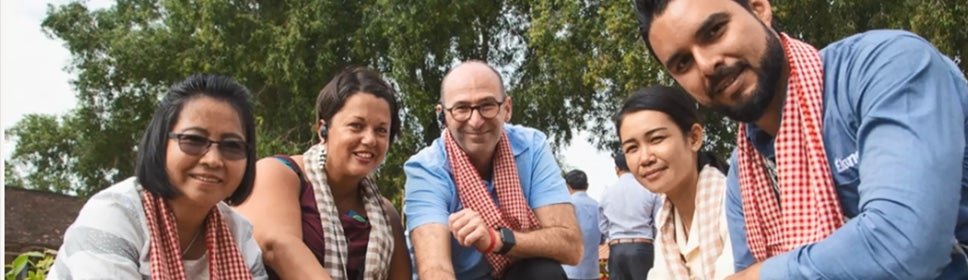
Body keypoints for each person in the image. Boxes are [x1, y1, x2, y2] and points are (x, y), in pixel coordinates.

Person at [635, 0, 968, 278]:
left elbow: (906, 244)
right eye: (683, 64)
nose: (706, 64)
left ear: (759, 9)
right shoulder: (745, 175)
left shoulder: (884, 68)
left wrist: (760, 276)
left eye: (714, 31)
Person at [48, 74, 267, 279]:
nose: (213, 160)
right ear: (161, 143)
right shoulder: (115, 216)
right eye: (193, 140)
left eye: (232, 146)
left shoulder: (238, 234)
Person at [403, 60, 582, 280]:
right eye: (461, 108)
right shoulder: (426, 169)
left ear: (507, 108)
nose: (476, 121)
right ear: (443, 116)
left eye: (487, 105)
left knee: (543, 273)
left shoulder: (531, 146)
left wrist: (496, 239)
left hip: (517, 273)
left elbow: (571, 247)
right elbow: (435, 270)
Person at [233, 66, 411, 280]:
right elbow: (276, 246)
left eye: (381, 130)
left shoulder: (385, 214)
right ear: (323, 129)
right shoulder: (279, 173)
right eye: (356, 126)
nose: (369, 139)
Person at [615, 85, 735, 280]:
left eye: (656, 139)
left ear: (694, 138)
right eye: (632, 148)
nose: (645, 158)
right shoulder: (665, 222)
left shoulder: (732, 204)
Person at [598, 152, 662, 280]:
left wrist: (614, 234)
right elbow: (659, 220)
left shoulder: (607, 193)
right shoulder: (649, 189)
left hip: (617, 247)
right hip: (642, 246)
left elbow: (603, 226)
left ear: (616, 169)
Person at [561, 170, 602, 280]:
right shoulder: (597, 206)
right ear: (587, 186)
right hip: (592, 272)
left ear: (567, 186)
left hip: (569, 270)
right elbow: (602, 238)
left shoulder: (567, 205)